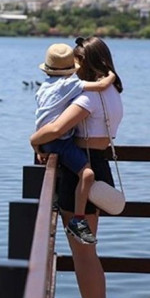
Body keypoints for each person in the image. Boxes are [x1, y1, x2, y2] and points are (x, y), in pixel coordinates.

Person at [30, 36, 124, 298]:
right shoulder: (111, 93)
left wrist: (34, 139)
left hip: (80, 170)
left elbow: (56, 130)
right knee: (89, 251)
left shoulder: (88, 98)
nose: (74, 66)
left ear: (88, 62)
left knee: (83, 254)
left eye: (78, 61)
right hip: (98, 165)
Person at [34, 43, 116, 244]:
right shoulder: (68, 85)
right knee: (87, 174)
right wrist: (111, 73)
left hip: (48, 140)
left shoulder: (44, 86)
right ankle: (78, 221)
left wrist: (36, 143)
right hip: (57, 141)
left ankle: (53, 200)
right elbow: (101, 86)